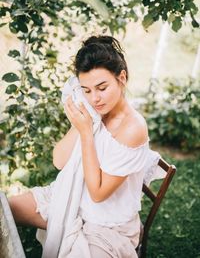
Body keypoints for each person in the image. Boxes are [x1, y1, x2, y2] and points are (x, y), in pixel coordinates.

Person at [9, 36, 158, 258]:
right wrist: (79, 127)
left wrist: (86, 132)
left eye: (102, 87)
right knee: (3, 211)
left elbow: (98, 194)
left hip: (107, 224)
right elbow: (59, 161)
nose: (95, 98)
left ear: (122, 78)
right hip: (71, 196)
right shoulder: (94, 112)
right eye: (86, 90)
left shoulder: (132, 128)